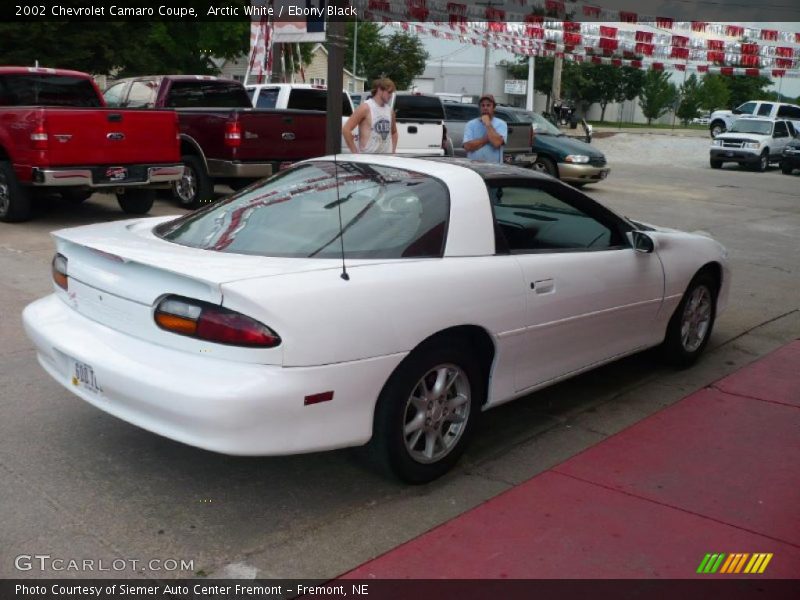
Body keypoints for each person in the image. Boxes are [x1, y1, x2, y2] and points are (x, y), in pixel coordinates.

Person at [343, 78, 398, 154]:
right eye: (389, 92)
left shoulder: (390, 111)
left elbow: (394, 132)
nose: (391, 96)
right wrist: (355, 153)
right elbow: (346, 129)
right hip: (367, 159)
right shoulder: (366, 107)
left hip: (385, 159)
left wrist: (393, 151)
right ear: (380, 90)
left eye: (392, 93)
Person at [463, 94, 507, 163]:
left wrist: (488, 124)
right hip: (474, 166)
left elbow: (497, 143)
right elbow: (467, 146)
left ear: (494, 107)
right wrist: (487, 139)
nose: (485, 108)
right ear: (480, 108)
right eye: (482, 105)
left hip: (494, 167)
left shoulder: (501, 124)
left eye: (488, 105)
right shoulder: (470, 124)